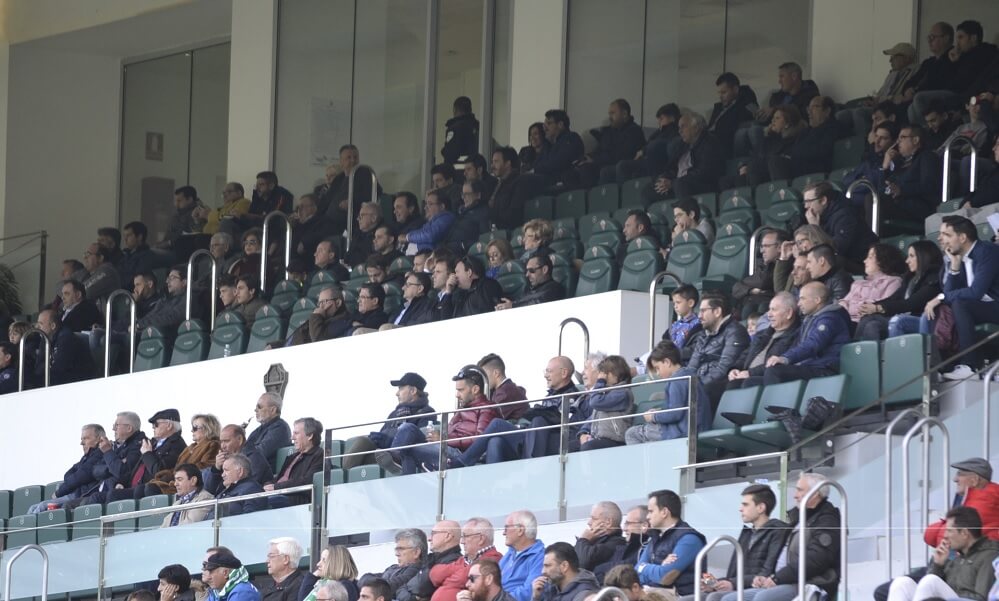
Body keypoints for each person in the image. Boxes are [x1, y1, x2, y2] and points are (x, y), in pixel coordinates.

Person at [719, 473, 840, 601]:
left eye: (799, 490)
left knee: (763, 598)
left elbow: (816, 560)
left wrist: (778, 578)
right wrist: (766, 577)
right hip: (784, 581)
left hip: (809, 583)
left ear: (815, 494)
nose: (795, 495)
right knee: (728, 599)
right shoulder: (797, 520)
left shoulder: (828, 521)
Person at [376, 366, 499, 475]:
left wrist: (444, 439)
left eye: (461, 390)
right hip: (445, 445)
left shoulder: (487, 409)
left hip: (459, 454)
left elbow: (480, 440)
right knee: (406, 428)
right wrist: (438, 437)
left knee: (408, 448)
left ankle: (403, 474)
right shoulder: (462, 410)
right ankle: (396, 458)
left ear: (475, 390)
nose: (457, 395)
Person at [923, 216, 999, 379]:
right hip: (981, 308)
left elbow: (975, 292)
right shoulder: (962, 257)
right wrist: (955, 266)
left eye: (946, 234)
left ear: (962, 237)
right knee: (939, 308)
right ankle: (940, 367)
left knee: (959, 303)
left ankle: (970, 366)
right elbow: (950, 294)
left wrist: (941, 297)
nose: (940, 238)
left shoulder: (987, 251)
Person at [681, 485, 787, 601]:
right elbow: (733, 575)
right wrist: (715, 584)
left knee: (714, 597)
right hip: (738, 586)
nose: (740, 509)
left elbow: (767, 572)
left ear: (761, 508)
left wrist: (732, 583)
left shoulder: (778, 531)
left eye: (745, 505)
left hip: (757, 588)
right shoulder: (747, 534)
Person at [886, 506, 999, 601]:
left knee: (931, 581)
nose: (945, 535)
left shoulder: (990, 556)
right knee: (902, 583)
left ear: (964, 533)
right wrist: (938, 565)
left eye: (949, 530)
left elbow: (982, 598)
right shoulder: (957, 557)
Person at [759, 282, 850, 385]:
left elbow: (813, 344)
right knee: (751, 382)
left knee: (775, 372)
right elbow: (795, 345)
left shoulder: (830, 319)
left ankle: (775, 402)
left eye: (802, 299)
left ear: (817, 300)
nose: (798, 304)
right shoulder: (810, 319)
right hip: (808, 367)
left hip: (824, 369)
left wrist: (785, 358)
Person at [626, 341, 711, 444]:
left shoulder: (677, 380)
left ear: (667, 362)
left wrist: (654, 416)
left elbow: (675, 414)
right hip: (694, 428)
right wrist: (659, 412)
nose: (658, 373)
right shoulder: (689, 374)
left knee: (631, 433)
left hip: (681, 432)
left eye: (658, 368)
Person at [635, 489, 706, 596]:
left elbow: (665, 577)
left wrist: (645, 567)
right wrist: (659, 567)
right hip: (654, 594)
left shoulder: (689, 539)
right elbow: (636, 572)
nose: (647, 517)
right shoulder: (654, 537)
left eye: (651, 511)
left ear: (664, 512)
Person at [686, 293, 750, 411]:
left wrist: (696, 388)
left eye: (703, 311)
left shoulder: (735, 332)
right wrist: (684, 386)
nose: (699, 316)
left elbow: (723, 369)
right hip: (699, 386)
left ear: (717, 312)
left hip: (715, 389)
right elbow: (691, 367)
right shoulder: (703, 335)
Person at [867, 241, 943, 339]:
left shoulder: (933, 278)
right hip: (904, 316)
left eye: (911, 256)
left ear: (924, 256)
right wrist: (873, 306)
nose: (907, 261)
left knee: (898, 321)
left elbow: (910, 304)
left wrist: (878, 308)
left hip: (924, 320)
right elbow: (894, 298)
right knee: (869, 321)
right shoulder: (910, 278)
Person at [727, 293, 801, 390]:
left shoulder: (795, 335)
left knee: (737, 385)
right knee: (710, 388)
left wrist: (750, 373)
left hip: (762, 378)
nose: (769, 314)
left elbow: (776, 365)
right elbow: (745, 355)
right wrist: (734, 369)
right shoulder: (762, 334)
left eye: (774, 310)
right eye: (769, 309)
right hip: (743, 374)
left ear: (789, 313)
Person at [645, 112, 723, 203]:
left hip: (702, 185)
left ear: (696, 128)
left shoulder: (710, 142)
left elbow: (704, 172)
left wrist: (673, 183)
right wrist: (665, 179)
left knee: (680, 184)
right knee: (649, 190)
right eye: (679, 127)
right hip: (678, 185)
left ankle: (684, 214)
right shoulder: (682, 145)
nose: (680, 131)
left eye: (683, 126)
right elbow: (673, 168)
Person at [28, 424, 106, 512]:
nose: (81, 443)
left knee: (41, 507)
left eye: (86, 438)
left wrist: (59, 492)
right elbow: (68, 474)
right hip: (74, 494)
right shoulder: (87, 457)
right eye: (81, 439)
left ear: (98, 439)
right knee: (33, 508)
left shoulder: (99, 455)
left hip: (80, 496)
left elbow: (79, 477)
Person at [802, 182, 873, 272]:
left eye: (809, 201)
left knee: (824, 261)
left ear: (823, 200)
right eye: (805, 202)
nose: (805, 206)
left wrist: (816, 228)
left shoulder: (845, 215)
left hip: (861, 263)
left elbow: (836, 250)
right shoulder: (821, 215)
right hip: (845, 261)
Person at [878, 125, 942, 222]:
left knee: (873, 200)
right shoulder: (899, 162)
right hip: (898, 203)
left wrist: (901, 190)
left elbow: (929, 185)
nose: (898, 141)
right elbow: (884, 185)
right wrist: (885, 166)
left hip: (919, 207)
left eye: (902, 137)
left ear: (915, 140)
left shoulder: (927, 156)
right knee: (868, 199)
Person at [578, 98, 645, 187]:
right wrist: (588, 158)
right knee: (583, 167)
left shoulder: (634, 131)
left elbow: (621, 155)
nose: (610, 117)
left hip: (619, 165)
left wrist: (595, 160)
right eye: (609, 113)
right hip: (604, 162)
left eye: (613, 113)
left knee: (603, 171)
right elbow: (600, 150)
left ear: (624, 114)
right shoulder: (609, 131)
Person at [433, 518, 504, 601]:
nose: (462, 541)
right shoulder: (465, 558)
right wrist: (462, 571)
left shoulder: (493, 559)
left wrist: (447, 577)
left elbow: (463, 578)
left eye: (465, 536)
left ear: (481, 539)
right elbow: (434, 575)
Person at [840, 244, 906, 332]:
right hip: (847, 322)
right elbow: (843, 302)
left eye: (870, 257)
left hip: (865, 322)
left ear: (882, 260)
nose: (864, 261)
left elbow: (884, 305)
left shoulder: (893, 282)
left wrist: (852, 306)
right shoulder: (858, 283)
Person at [318, 145, 381, 236]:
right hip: (328, 220)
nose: (353, 160)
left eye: (355, 157)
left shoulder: (364, 173)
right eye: (349, 158)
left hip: (349, 220)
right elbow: (328, 198)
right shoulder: (339, 178)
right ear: (341, 162)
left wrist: (352, 202)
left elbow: (375, 193)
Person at [576, 355, 634, 451]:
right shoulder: (606, 393)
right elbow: (593, 417)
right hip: (599, 438)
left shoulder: (623, 393)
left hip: (615, 440)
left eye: (605, 373)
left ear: (615, 373)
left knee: (588, 447)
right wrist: (583, 433)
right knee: (570, 447)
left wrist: (600, 382)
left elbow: (594, 402)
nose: (602, 376)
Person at [263, 418, 324, 508]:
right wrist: (267, 485)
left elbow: (307, 481)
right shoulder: (292, 457)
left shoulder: (319, 455)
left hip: (295, 500)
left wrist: (276, 487)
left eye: (296, 433)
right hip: (278, 494)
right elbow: (279, 479)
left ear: (310, 435)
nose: (292, 438)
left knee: (260, 503)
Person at [397, 521, 463, 601]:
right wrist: (413, 598)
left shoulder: (454, 562)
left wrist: (409, 596)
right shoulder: (431, 559)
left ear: (447, 536)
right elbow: (401, 589)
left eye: (433, 533)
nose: (429, 538)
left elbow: (421, 587)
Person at [203, 424, 272, 494]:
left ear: (240, 439)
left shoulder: (254, 458)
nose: (222, 446)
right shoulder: (227, 459)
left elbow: (247, 487)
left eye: (226, 441)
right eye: (221, 442)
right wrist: (216, 468)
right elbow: (209, 491)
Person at [34, 309, 95, 386]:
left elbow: (59, 369)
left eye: (41, 324)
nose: (37, 327)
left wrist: (45, 369)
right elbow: (37, 367)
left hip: (78, 385)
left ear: (53, 326)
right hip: (58, 381)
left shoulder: (66, 338)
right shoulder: (45, 338)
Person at [732, 229, 785, 317]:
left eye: (766, 246)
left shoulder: (787, 265)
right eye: (762, 247)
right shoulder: (764, 266)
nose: (762, 251)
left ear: (779, 247)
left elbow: (763, 282)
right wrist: (751, 290)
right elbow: (736, 288)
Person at [359, 529, 427, 597]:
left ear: (416, 552)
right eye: (396, 549)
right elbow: (364, 578)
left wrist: (372, 584)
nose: (397, 554)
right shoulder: (393, 567)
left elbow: (384, 587)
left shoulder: (417, 571)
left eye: (401, 549)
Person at [530, 109, 584, 188]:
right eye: (544, 125)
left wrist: (534, 171)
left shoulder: (571, 138)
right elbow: (536, 164)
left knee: (524, 181)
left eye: (548, 124)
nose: (545, 129)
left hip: (562, 181)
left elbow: (559, 162)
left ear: (560, 125)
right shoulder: (548, 146)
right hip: (548, 180)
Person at [500, 510, 546, 601]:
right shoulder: (508, 555)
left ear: (520, 530)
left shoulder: (540, 557)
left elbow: (528, 592)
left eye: (506, 528)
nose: (503, 533)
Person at [437, 256, 503, 319]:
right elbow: (445, 319)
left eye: (457, 272)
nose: (454, 276)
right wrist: (448, 292)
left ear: (469, 272)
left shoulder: (488, 286)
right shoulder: (459, 295)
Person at [708, 73, 755, 160]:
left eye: (724, 92)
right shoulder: (718, 108)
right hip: (707, 139)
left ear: (736, 89)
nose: (720, 97)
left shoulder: (744, 104)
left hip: (721, 142)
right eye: (719, 93)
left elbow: (754, 112)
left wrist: (745, 92)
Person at [530, 543, 599, 601]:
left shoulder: (585, 595)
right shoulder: (551, 589)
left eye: (548, 566)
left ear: (564, 566)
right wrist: (537, 597)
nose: (543, 571)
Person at [496, 254, 565, 311]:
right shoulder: (531, 289)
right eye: (527, 271)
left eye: (531, 270)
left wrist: (513, 306)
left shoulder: (555, 288)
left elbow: (539, 302)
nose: (527, 275)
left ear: (544, 270)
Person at [287, 287, 352, 346]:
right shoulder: (322, 318)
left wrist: (316, 316)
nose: (321, 307)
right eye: (319, 303)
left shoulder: (343, 320)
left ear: (338, 303)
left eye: (324, 302)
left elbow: (318, 341)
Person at [574, 502, 626, 575]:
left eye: (594, 518)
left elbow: (580, 564)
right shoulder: (592, 542)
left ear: (608, 522)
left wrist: (583, 539)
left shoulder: (614, 544)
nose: (589, 522)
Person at [208, 454, 266, 519]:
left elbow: (250, 520)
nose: (222, 475)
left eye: (226, 470)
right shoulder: (225, 490)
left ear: (240, 471)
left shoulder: (253, 490)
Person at [246, 392, 292, 468]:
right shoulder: (259, 429)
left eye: (259, 407)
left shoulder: (280, 428)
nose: (255, 410)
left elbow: (259, 454)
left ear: (273, 410)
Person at [446, 180, 491, 254]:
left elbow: (484, 239)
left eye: (467, 194)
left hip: (465, 254)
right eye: (462, 194)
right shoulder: (462, 211)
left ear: (478, 195)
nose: (463, 197)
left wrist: (463, 245)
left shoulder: (483, 213)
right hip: (450, 250)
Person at [488, 147, 527, 231]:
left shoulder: (519, 183)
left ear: (507, 164)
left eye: (496, 161)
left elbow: (513, 215)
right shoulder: (499, 185)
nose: (492, 166)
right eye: (492, 162)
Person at [82, 242, 122, 310]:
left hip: (109, 319)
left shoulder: (107, 271)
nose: (85, 257)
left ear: (100, 258)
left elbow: (84, 292)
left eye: (89, 254)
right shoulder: (92, 273)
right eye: (85, 254)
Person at [667, 285, 702, 361]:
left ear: (690, 303)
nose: (675, 306)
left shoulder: (698, 325)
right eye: (674, 303)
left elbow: (692, 350)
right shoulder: (675, 325)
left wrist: (671, 354)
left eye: (678, 302)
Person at [442, 96, 479, 164]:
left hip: (458, 172)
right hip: (475, 171)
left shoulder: (454, 128)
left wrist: (444, 151)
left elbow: (450, 155)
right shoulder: (478, 127)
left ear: (455, 110)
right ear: (470, 110)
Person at [345, 202, 383, 267]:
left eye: (361, 216)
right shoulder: (358, 233)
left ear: (373, 218)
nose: (358, 219)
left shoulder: (383, 233)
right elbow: (348, 256)